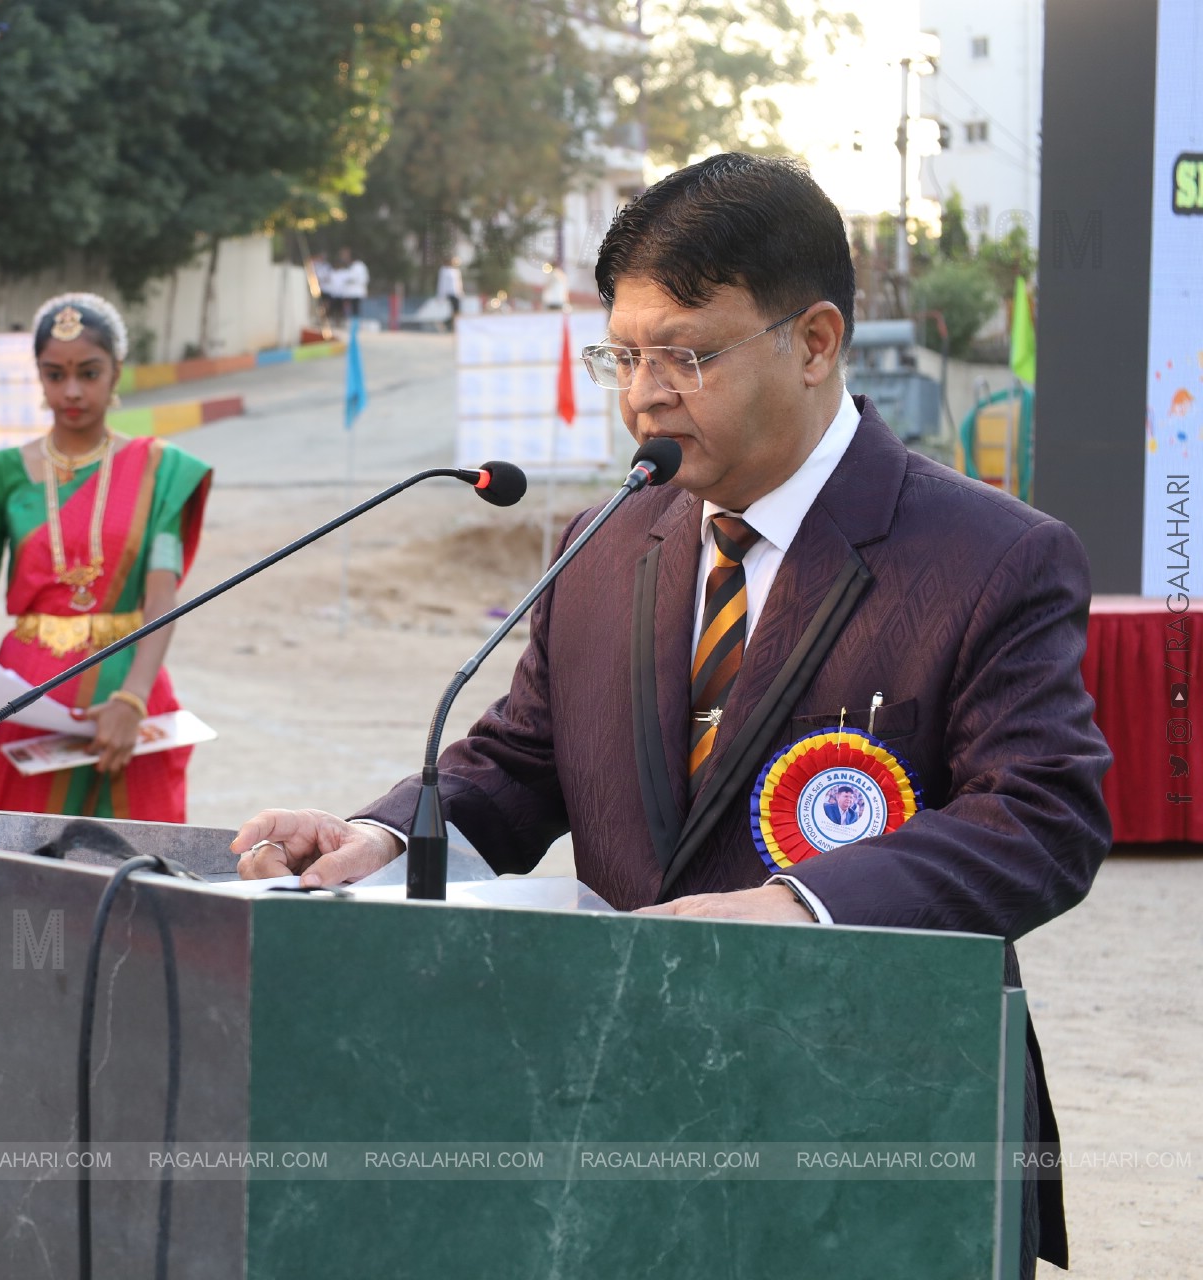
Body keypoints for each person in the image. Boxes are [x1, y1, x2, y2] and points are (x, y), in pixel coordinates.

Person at [234, 154, 1110, 1278]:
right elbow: (526, 756)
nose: (645, 392)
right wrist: (391, 833)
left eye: (688, 353)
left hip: (875, 1125)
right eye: (625, 354)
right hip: (624, 1099)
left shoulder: (993, 555)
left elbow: (1041, 818)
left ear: (814, 341)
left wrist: (800, 905)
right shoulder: (605, 547)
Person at [0, 292, 212, 821]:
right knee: (24, 861)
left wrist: (132, 700)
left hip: (127, 684)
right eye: (54, 375)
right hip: (28, 693)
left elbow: (161, 598)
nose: (71, 391)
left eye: (89, 373)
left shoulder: (158, 470)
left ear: (116, 371)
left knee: (143, 866)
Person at [334, 247, 370, 323]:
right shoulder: (352, 267)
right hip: (351, 293)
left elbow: (356, 278)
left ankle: (353, 331)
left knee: (355, 311)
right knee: (351, 311)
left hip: (355, 293)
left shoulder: (358, 266)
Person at [436, 255, 465, 332]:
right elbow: (442, 283)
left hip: (456, 293)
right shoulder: (444, 270)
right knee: (455, 310)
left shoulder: (456, 271)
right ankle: (448, 325)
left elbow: (459, 283)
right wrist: (441, 295)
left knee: (456, 311)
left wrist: (461, 292)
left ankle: (449, 325)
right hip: (450, 293)